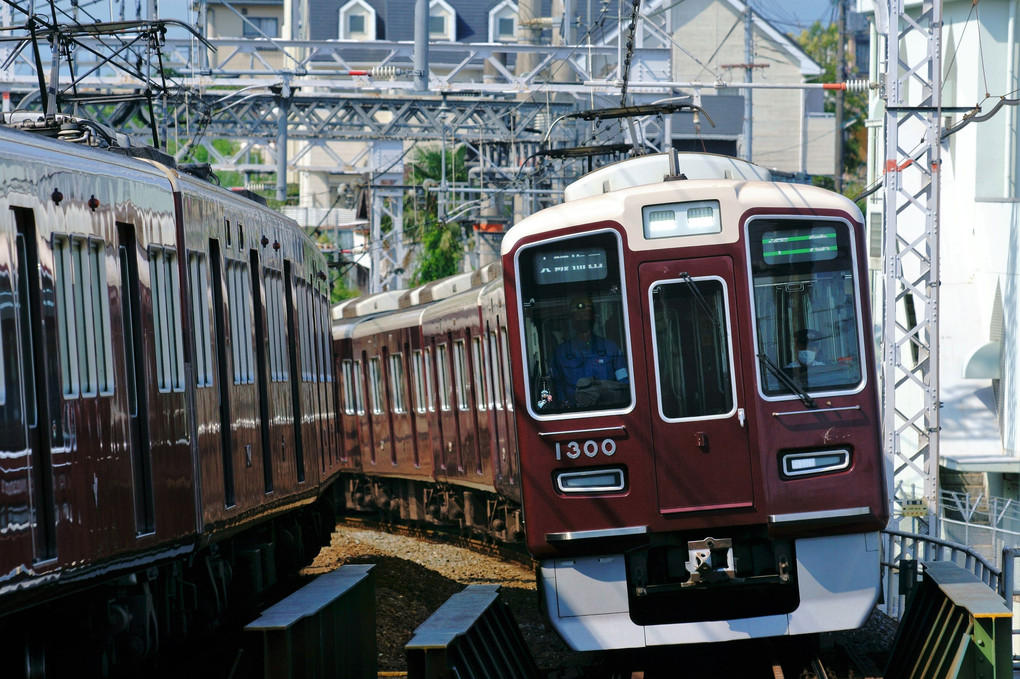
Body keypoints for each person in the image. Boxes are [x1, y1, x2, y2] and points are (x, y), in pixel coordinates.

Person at [549, 295, 628, 408]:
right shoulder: (560, 352)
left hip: (608, 410)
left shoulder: (610, 347)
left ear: (594, 317)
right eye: (578, 316)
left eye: (586, 315)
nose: (582, 318)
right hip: (572, 414)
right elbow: (555, 386)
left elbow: (624, 383)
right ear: (572, 320)